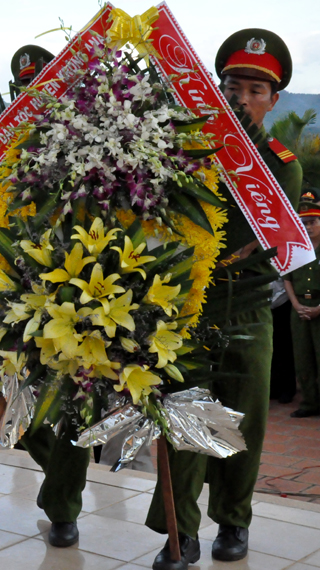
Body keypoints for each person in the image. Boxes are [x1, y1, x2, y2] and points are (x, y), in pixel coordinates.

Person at [145, 29, 303, 570]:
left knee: (241, 421)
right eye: (233, 86)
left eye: (257, 90)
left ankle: (233, 520)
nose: (243, 98)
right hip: (187, 309)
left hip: (248, 306)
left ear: (273, 99)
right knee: (185, 418)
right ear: (216, 90)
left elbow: (252, 240)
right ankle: (178, 533)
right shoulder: (186, 152)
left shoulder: (280, 165)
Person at [283, 201, 320, 418]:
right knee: (303, 357)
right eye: (304, 223)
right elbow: (287, 278)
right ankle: (309, 402)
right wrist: (296, 305)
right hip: (299, 309)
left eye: (313, 222)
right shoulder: (297, 249)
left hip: (318, 308)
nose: (308, 227)